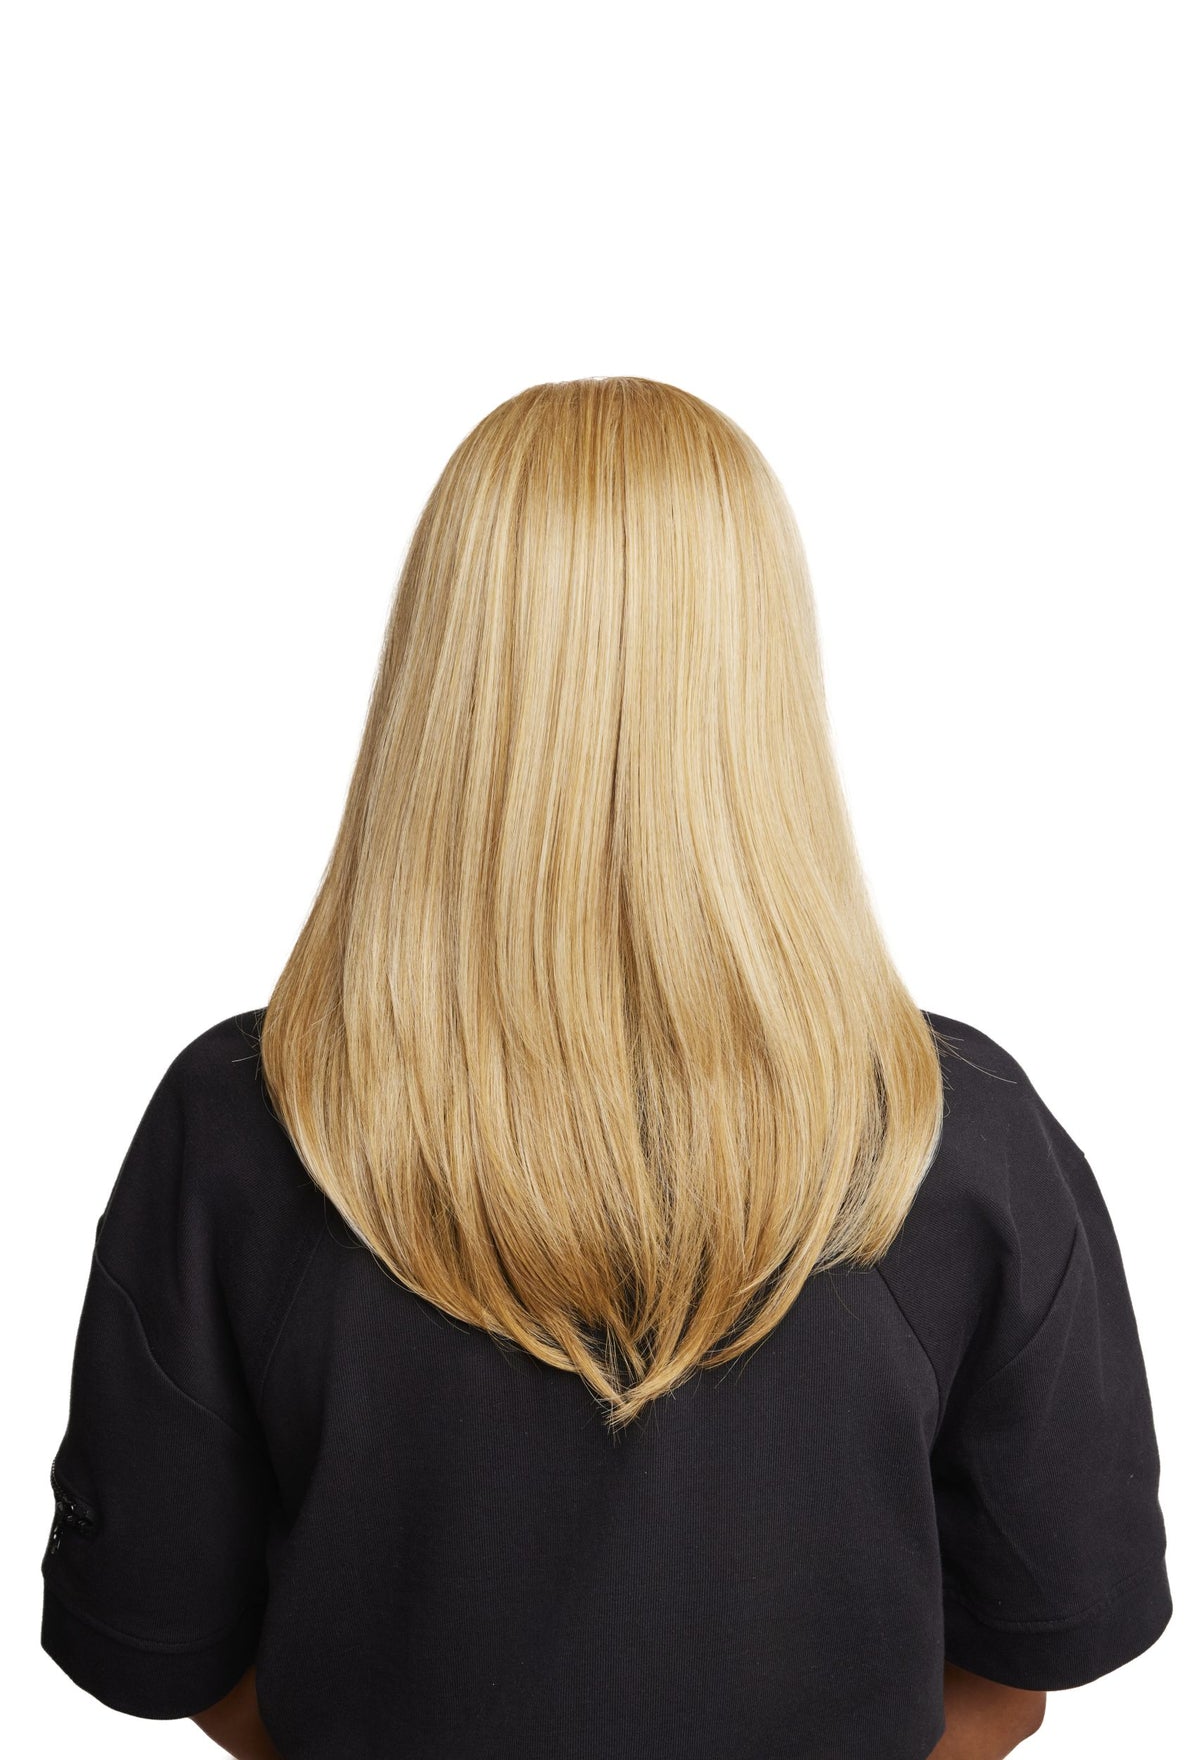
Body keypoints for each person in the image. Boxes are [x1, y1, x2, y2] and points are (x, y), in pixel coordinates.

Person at [39, 379, 1171, 1759]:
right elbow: (1023, 1669)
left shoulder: (243, 1129)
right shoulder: (958, 1136)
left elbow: (168, 1647)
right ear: (762, 676)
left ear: (440, 668)